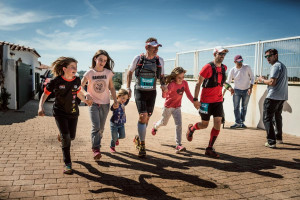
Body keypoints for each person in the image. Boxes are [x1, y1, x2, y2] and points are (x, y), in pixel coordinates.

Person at [38, 57, 92, 174]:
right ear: (64, 69)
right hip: (59, 113)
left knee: (71, 137)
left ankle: (62, 135)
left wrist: (86, 100)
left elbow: (77, 92)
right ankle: (67, 163)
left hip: (73, 112)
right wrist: (40, 107)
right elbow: (45, 94)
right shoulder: (56, 81)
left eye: (76, 67)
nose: (75, 69)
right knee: (67, 139)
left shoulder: (77, 80)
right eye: (72, 67)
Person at [186, 46, 234, 158]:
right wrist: (195, 100)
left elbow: (222, 83)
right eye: (220, 54)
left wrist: (229, 87)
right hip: (205, 102)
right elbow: (198, 84)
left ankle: (209, 148)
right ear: (215, 54)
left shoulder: (224, 68)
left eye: (224, 54)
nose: (222, 56)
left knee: (218, 122)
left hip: (218, 101)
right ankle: (192, 128)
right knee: (204, 125)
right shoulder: (207, 67)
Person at [126, 37, 167, 158]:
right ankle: (142, 145)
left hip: (152, 92)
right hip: (140, 91)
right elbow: (129, 73)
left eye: (157, 48)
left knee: (147, 118)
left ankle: (138, 138)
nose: (156, 50)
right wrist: (128, 88)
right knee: (142, 116)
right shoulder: (138, 58)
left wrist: (164, 84)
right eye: (153, 48)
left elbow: (162, 76)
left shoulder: (160, 60)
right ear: (146, 47)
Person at [81, 50, 119, 160]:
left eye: (105, 60)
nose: (102, 62)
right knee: (96, 126)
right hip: (92, 103)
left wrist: (115, 101)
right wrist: (86, 94)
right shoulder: (89, 73)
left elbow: (111, 87)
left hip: (105, 103)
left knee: (101, 128)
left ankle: (97, 141)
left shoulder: (108, 72)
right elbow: (80, 87)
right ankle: (96, 149)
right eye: (100, 60)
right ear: (95, 59)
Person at [151, 67, 194, 153]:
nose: (181, 79)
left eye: (183, 77)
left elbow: (188, 94)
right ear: (174, 77)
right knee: (164, 123)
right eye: (179, 77)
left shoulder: (184, 83)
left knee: (179, 125)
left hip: (177, 107)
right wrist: (164, 90)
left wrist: (194, 102)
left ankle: (178, 145)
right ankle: (155, 126)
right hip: (168, 107)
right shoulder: (172, 84)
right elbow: (164, 96)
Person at [258, 49, 288, 148]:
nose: (267, 59)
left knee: (267, 118)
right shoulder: (282, 66)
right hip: (281, 97)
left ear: (276, 55)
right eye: (266, 57)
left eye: (269, 56)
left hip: (273, 96)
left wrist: (262, 80)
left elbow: (272, 82)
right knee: (277, 117)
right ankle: (279, 138)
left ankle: (271, 141)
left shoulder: (275, 66)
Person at [226, 55, 254, 128]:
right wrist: (229, 89)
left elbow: (252, 77)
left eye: (241, 61)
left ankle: (241, 122)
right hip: (236, 91)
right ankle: (237, 122)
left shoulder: (247, 67)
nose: (240, 62)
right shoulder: (232, 70)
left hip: (246, 90)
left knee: (244, 107)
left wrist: (250, 88)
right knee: (236, 107)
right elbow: (227, 82)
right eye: (239, 61)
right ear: (235, 62)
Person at [109, 89, 129, 153]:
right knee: (114, 137)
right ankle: (112, 146)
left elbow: (127, 99)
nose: (124, 100)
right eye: (123, 98)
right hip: (114, 123)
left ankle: (116, 138)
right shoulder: (116, 103)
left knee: (122, 136)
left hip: (121, 123)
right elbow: (112, 108)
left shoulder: (124, 103)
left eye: (125, 99)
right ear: (118, 96)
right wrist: (114, 106)